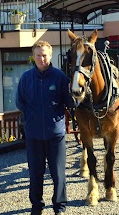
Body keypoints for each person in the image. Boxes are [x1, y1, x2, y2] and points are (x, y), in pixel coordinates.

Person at [16, 40, 74, 215]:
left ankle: (59, 207)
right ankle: (37, 207)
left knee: (58, 175)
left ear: (50, 56)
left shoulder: (60, 78)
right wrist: (32, 117)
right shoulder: (26, 78)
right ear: (33, 57)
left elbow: (70, 103)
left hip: (55, 135)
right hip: (33, 135)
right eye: (38, 55)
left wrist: (72, 91)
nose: (42, 58)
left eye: (45, 55)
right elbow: (20, 102)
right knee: (35, 174)